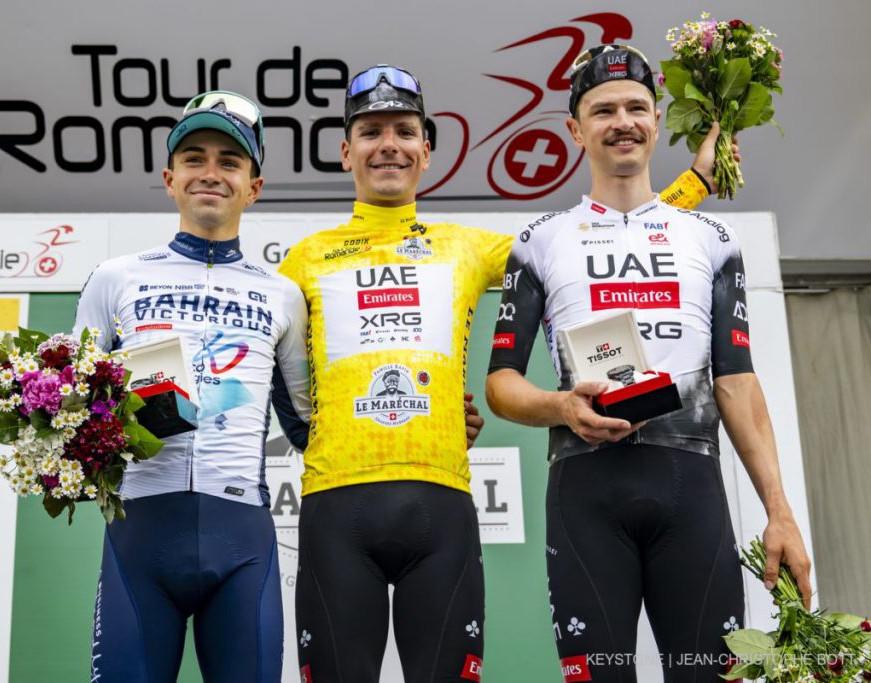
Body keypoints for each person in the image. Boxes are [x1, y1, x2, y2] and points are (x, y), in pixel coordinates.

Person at [277, 63, 723, 683]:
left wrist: (694, 185)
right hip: (335, 498)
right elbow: (288, 386)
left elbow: (579, 242)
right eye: (371, 132)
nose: (388, 145)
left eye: (404, 131)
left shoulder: (466, 246)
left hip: (442, 502)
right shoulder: (303, 259)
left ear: (426, 150)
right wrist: (325, 436)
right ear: (345, 150)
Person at [485, 45, 812, 682]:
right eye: (603, 110)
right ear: (575, 129)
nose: (623, 122)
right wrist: (561, 406)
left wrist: (780, 511)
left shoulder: (711, 240)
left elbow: (736, 381)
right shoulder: (542, 239)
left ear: (657, 122)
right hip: (585, 491)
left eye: (636, 107)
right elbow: (501, 383)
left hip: (691, 489)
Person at [74, 91, 311, 682]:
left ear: (254, 187)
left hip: (242, 539)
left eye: (230, 162)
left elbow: (311, 425)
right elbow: (70, 405)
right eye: (194, 159)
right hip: (140, 532)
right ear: (169, 179)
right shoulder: (114, 279)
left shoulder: (283, 295)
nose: (211, 173)